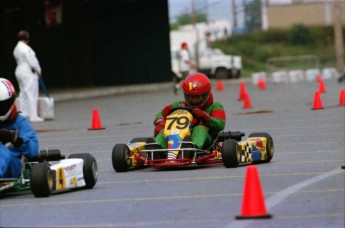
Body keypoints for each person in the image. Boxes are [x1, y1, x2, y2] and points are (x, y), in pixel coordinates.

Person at [154, 73, 226, 152]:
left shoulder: (215, 106)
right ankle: (156, 149)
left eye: (197, 97)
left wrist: (205, 117)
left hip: (205, 142)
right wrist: (160, 122)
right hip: (178, 136)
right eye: (191, 97)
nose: (194, 100)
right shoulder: (180, 104)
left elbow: (220, 124)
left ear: (205, 94)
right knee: (164, 131)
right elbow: (160, 114)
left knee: (199, 129)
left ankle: (191, 148)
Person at [0, 78, 39, 178]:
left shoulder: (19, 123)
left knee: (2, 151)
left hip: (11, 165)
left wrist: (16, 139)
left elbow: (33, 150)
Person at [13, 30, 44, 122]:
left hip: (19, 70)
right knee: (32, 93)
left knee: (23, 93)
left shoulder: (16, 48)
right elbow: (32, 60)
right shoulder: (26, 48)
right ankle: (33, 115)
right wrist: (38, 70)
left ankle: (23, 114)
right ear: (26, 38)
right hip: (27, 71)